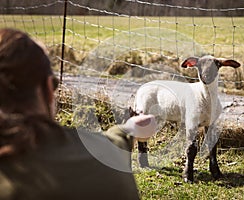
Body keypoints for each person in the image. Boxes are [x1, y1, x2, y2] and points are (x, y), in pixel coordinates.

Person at [0, 28, 157, 200]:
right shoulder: (105, 167)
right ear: (48, 89)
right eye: (54, 84)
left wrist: (129, 130)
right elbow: (104, 150)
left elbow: (113, 141)